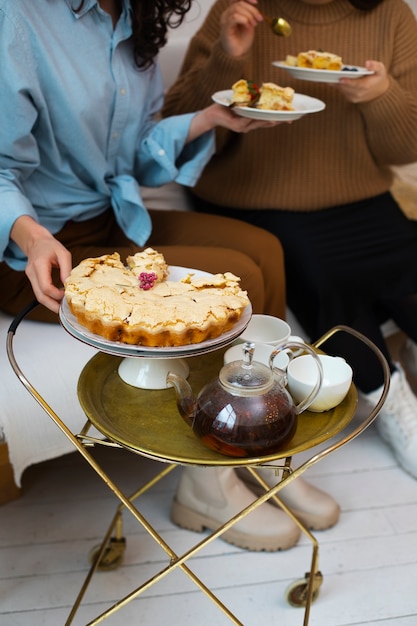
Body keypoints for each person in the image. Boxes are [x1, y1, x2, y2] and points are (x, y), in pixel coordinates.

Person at [0, 0, 339, 553]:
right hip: (39, 247)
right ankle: (210, 482)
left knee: (265, 250)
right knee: (242, 281)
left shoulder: (133, 17)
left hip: (111, 220)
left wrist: (209, 119)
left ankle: (264, 448)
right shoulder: (18, 18)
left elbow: (132, 155)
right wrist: (32, 236)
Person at [162, 0, 417, 480]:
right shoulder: (240, 11)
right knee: (320, 273)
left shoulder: (392, 16)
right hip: (250, 197)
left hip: (359, 194)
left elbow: (407, 148)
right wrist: (227, 58)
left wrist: (382, 94)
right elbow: (175, 132)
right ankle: (392, 398)